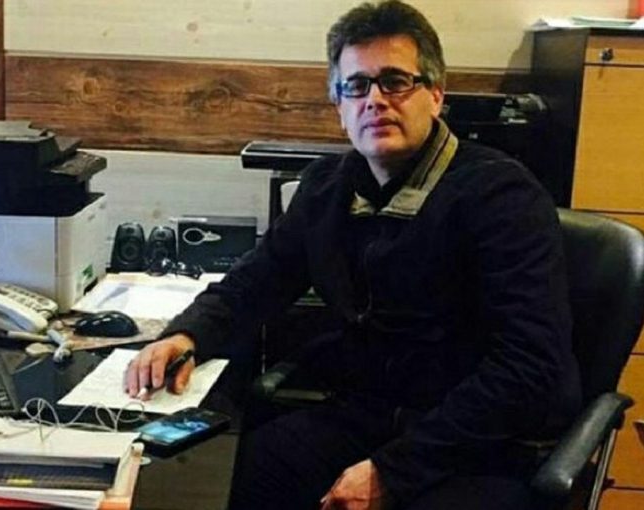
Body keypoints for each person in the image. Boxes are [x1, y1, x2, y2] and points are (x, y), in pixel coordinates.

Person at [124, 1, 580, 508]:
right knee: (248, 471)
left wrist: (393, 472)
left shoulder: (503, 197)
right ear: (339, 106)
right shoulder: (328, 187)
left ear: (436, 95)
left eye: (395, 82)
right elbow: (258, 280)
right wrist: (187, 334)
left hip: (477, 441)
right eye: (357, 86)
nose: (375, 100)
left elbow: (529, 368)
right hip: (371, 415)